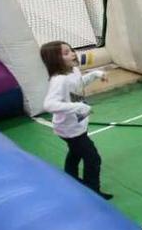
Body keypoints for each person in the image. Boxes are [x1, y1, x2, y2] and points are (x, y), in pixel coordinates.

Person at [40, 40, 112, 200]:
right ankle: (93, 192)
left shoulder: (73, 70)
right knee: (93, 158)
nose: (73, 54)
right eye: (66, 53)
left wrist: (94, 74)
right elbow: (49, 104)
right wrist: (77, 108)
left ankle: (70, 179)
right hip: (69, 129)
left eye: (71, 50)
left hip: (77, 123)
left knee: (75, 153)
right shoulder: (59, 80)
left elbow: (78, 85)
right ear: (55, 60)